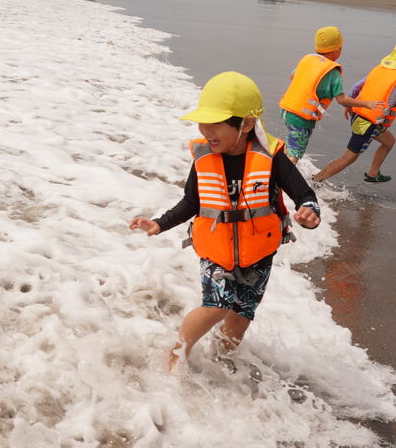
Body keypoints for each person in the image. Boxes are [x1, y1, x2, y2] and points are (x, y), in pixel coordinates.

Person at [130, 72, 321, 370]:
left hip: (259, 253)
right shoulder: (204, 158)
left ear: (246, 123)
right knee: (216, 307)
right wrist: (160, 223)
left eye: (215, 123)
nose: (206, 131)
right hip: (216, 250)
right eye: (202, 123)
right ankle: (175, 357)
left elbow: (304, 195)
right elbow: (191, 202)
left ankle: (221, 367)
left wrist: (309, 213)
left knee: (240, 319)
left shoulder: (271, 157)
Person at [313, 36, 396, 185]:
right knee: (348, 158)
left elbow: (356, 87)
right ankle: (315, 181)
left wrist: (350, 105)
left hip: (360, 117)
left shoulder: (380, 69)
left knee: (389, 141)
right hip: (367, 124)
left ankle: (373, 174)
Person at [277, 26, 383, 161]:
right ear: (337, 50)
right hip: (301, 118)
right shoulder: (332, 72)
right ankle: (281, 173)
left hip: (286, 110)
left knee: (292, 142)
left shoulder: (308, 59)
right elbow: (342, 100)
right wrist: (367, 104)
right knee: (295, 154)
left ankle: (277, 163)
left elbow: (292, 76)